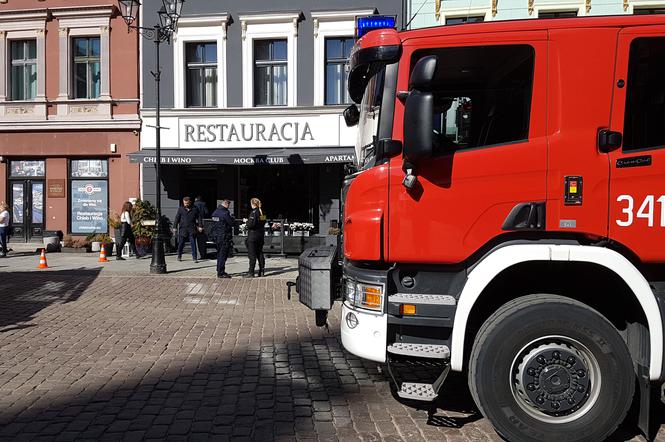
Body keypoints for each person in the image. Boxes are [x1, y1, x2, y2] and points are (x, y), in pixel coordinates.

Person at [210, 199, 235, 278]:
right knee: (223, 255)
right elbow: (231, 223)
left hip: (217, 236)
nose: (228, 207)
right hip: (224, 237)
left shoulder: (215, 212)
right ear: (226, 204)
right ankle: (221, 272)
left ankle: (219, 269)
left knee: (219, 254)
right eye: (228, 205)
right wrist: (232, 218)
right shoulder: (225, 213)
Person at [174, 196, 203, 263]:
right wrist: (174, 227)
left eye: (187, 203)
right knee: (181, 243)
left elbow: (199, 218)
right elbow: (177, 218)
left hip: (192, 228)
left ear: (190, 202)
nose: (186, 204)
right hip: (183, 228)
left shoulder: (195, 209)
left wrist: (200, 226)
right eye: (184, 203)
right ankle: (179, 255)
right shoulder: (181, 209)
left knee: (193, 243)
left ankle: (194, 257)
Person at [245, 197, 266, 277]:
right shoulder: (262, 212)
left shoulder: (254, 212)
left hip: (253, 236)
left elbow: (251, 224)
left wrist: (246, 222)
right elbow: (263, 222)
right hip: (260, 235)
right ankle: (262, 271)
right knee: (260, 253)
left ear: (253, 204)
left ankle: (251, 272)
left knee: (252, 254)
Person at [194, 196, 209, 260]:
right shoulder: (204, 204)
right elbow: (206, 212)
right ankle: (203, 253)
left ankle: (198, 254)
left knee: (196, 239)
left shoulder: (194, 205)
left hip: (196, 223)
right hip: (203, 222)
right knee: (202, 238)